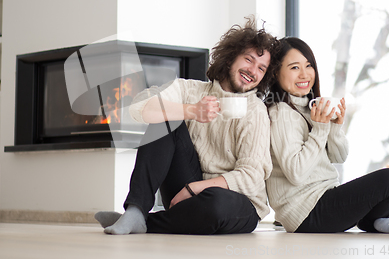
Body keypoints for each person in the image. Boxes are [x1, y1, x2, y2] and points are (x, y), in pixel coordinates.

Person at [94, 17, 278, 235]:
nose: (253, 71)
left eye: (261, 68)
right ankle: (135, 210)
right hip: (187, 186)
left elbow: (250, 176)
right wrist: (190, 110)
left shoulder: (255, 110)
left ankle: (144, 221)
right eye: (248, 60)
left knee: (216, 204)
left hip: (235, 200)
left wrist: (195, 188)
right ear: (230, 58)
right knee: (165, 115)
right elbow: (138, 108)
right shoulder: (189, 89)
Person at [265, 36, 389, 234]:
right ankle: (383, 221)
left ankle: (379, 222)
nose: (304, 74)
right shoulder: (280, 113)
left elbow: (339, 157)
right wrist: (321, 129)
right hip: (305, 213)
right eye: (294, 67)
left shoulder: (308, 107)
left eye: (309, 66)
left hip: (324, 198)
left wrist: (334, 128)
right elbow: (296, 173)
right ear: (276, 72)